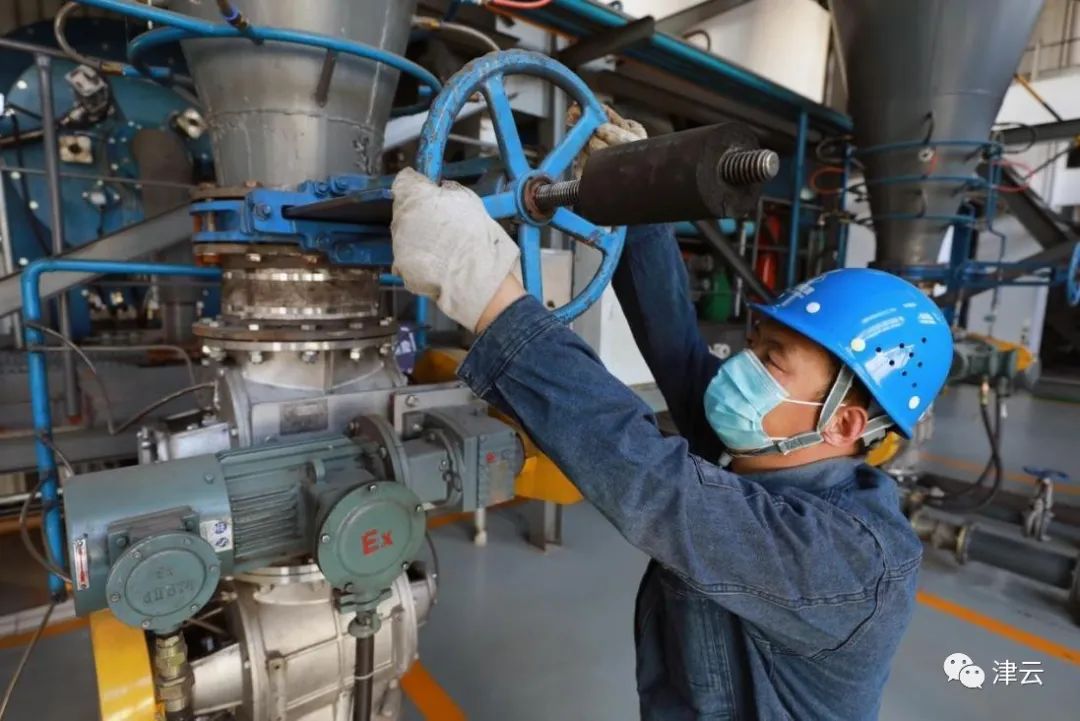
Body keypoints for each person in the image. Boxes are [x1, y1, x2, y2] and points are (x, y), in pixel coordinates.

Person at [389, 111, 953, 720]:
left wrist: (486, 292)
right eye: (754, 344)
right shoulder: (765, 451)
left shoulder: (849, 561)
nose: (743, 365)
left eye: (772, 360)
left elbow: (656, 484)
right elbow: (679, 350)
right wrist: (641, 201)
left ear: (843, 424)